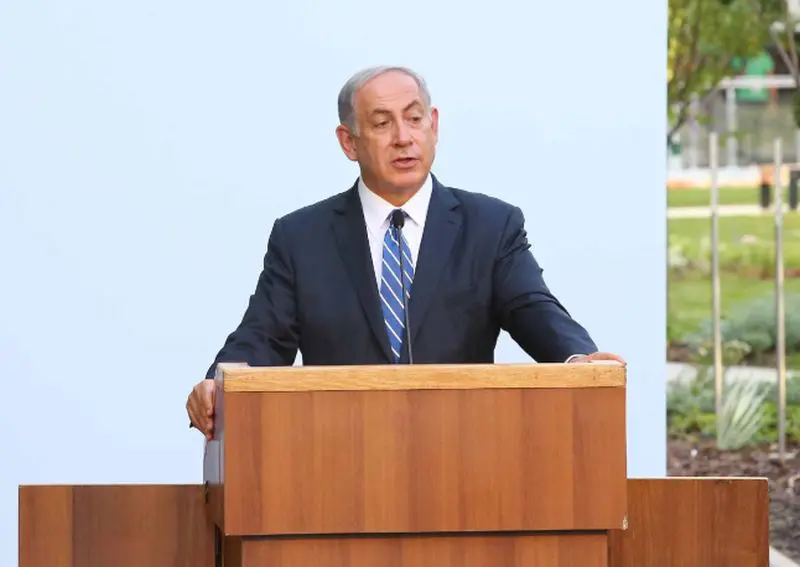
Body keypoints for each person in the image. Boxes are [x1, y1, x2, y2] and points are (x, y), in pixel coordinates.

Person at [186, 65, 625, 438]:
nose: (403, 137)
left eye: (414, 119)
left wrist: (578, 360)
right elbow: (263, 337)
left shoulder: (491, 226)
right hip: (338, 455)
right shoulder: (302, 237)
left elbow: (533, 308)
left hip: (462, 450)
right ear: (349, 142)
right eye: (382, 124)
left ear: (434, 125)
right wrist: (218, 386)